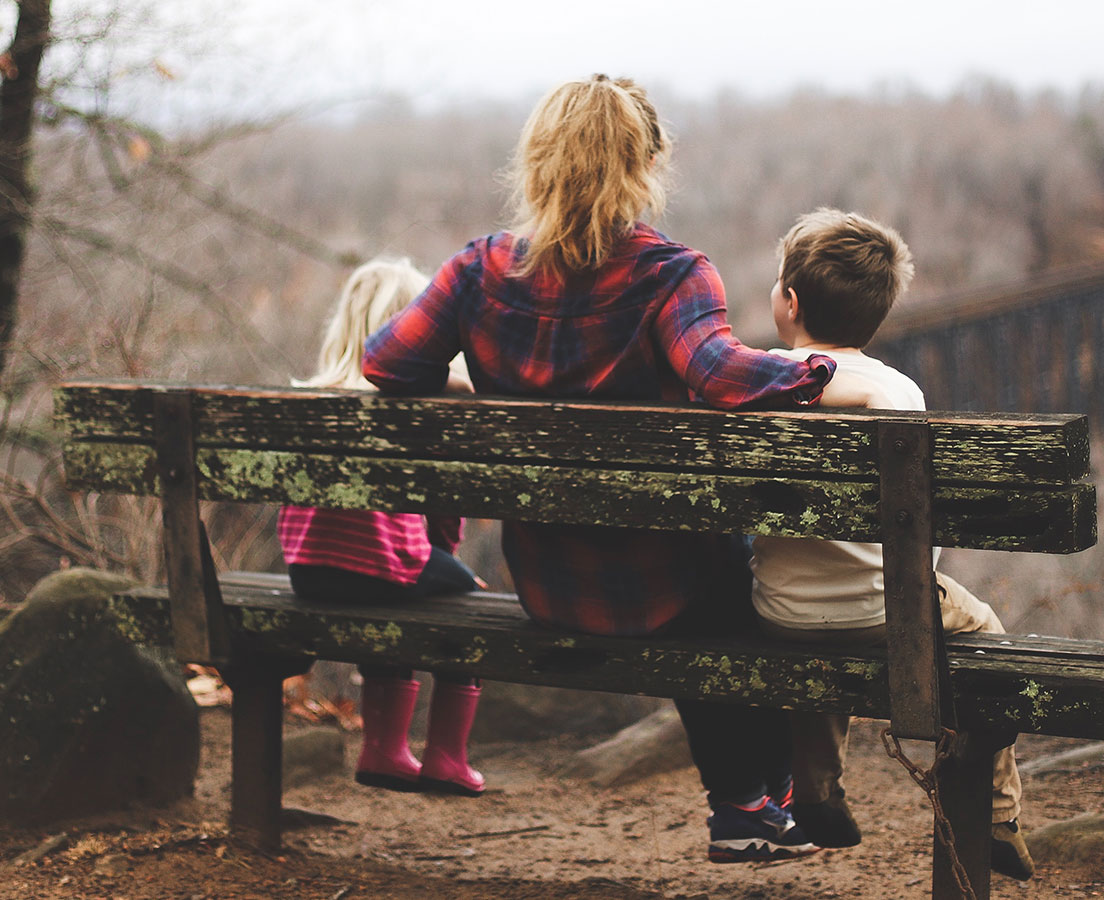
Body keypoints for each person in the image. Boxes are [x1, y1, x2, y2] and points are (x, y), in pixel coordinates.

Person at [362, 75, 878, 862]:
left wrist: (467, 382)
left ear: (535, 162)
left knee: (715, 572)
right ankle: (754, 803)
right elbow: (721, 375)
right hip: (666, 588)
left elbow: (385, 364)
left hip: (548, 583)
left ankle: (757, 804)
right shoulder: (670, 275)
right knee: (747, 580)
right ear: (646, 165)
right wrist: (819, 374)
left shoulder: (477, 271)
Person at [749, 207, 1034, 880]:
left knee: (818, 620)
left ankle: (816, 791)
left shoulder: (754, 380)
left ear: (789, 302)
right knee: (984, 630)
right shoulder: (898, 392)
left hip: (780, 611)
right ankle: (997, 813)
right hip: (887, 610)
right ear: (875, 316)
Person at [278, 258, 486, 797]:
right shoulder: (412, 404)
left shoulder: (310, 398)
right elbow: (442, 511)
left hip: (308, 572)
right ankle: (444, 758)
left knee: (396, 586)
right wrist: (447, 559)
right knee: (467, 601)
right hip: (380, 568)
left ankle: (384, 749)